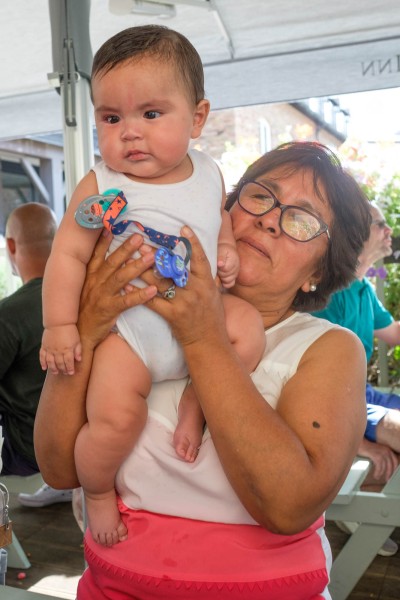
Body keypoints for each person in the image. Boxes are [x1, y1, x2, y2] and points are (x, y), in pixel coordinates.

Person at [35, 141, 372, 599]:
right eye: (260, 196)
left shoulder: (327, 348)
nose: (269, 218)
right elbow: (57, 468)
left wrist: (203, 337)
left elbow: (289, 505)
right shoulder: (130, 311)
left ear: (321, 270)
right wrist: (86, 330)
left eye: (301, 219)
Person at [40, 25, 266, 546]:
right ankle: (97, 492)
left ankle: (196, 400)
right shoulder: (101, 184)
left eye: (151, 114)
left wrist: (227, 249)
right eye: (112, 118)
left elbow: (218, 219)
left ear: (198, 118)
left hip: (203, 325)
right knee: (114, 419)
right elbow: (68, 254)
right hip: (132, 336)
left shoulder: (209, 171)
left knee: (247, 328)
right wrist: (59, 325)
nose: (130, 132)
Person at [313, 200, 400, 556]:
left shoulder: (363, 288)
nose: (389, 232)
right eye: (381, 224)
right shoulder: (328, 293)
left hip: (363, 395)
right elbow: (310, 377)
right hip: (338, 402)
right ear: (356, 232)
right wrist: (359, 445)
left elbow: (393, 333)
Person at [0, 203, 72, 506]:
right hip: (81, 439)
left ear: (11, 246)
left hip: (29, 451)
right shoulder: (83, 300)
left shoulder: (9, 314)